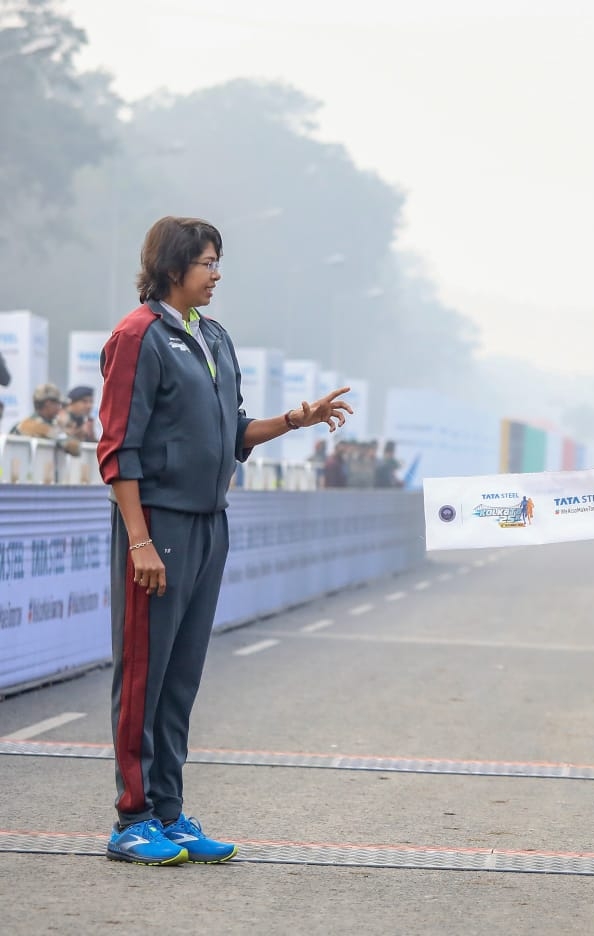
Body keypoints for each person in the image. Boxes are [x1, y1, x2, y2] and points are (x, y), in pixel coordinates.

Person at [98, 216, 353, 866]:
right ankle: (132, 820)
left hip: (210, 523)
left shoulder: (212, 336)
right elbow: (118, 449)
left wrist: (299, 419)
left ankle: (170, 812)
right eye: (207, 263)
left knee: (180, 679)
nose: (216, 275)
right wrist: (138, 541)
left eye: (218, 264)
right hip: (156, 526)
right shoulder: (138, 336)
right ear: (172, 266)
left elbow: (233, 433)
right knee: (143, 677)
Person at [12, 383, 82, 455]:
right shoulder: (35, 425)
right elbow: (74, 448)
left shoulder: (29, 423)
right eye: (58, 403)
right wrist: (61, 427)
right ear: (48, 403)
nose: (59, 408)